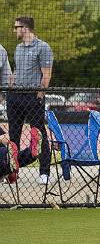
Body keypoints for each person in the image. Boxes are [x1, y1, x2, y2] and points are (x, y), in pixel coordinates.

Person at [7, 16, 53, 185]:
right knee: (13, 135)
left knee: (38, 133)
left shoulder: (43, 47)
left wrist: (39, 96)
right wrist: (9, 90)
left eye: (16, 27)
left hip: (33, 97)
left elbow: (46, 75)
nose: (14, 30)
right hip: (15, 97)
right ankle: (11, 172)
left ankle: (44, 172)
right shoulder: (18, 48)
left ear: (24, 28)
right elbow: (16, 73)